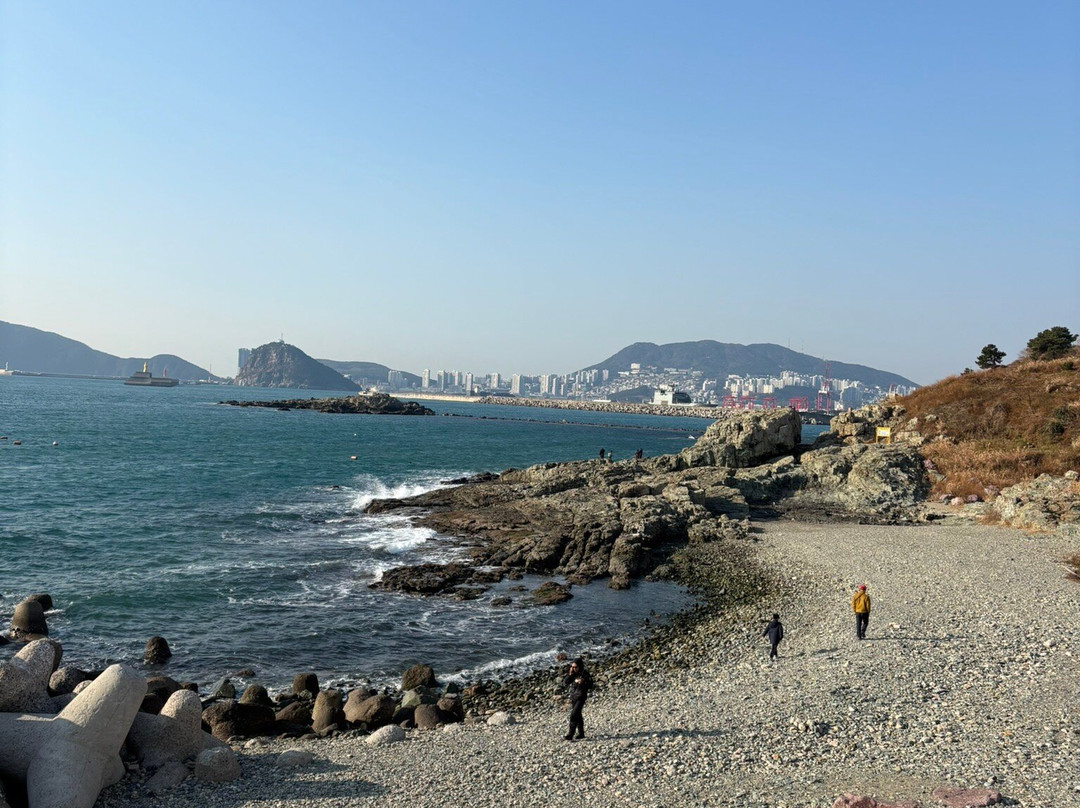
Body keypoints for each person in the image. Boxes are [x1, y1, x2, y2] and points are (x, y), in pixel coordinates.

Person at [563, 657, 592, 740]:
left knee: (573, 715)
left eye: (575, 667)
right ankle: (581, 734)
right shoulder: (573, 674)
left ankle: (570, 734)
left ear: (580, 666)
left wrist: (583, 682)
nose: (574, 669)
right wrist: (570, 674)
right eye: (572, 667)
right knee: (578, 715)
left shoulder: (585, 674)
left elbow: (591, 685)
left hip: (581, 697)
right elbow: (565, 682)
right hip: (573, 697)